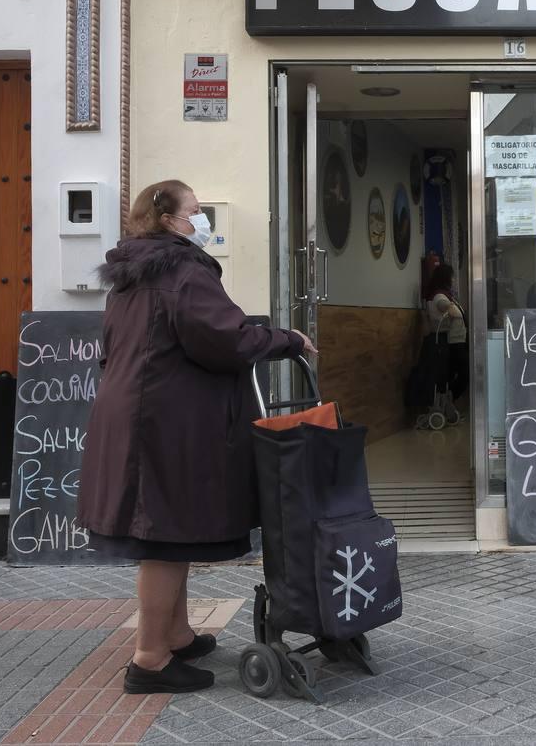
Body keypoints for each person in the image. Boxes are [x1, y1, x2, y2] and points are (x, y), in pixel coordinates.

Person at [77, 180, 316, 695]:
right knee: (161, 538)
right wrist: (286, 339)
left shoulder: (134, 274)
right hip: (164, 421)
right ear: (169, 219)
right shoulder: (182, 272)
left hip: (142, 413)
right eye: (195, 211)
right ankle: (150, 659)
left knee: (169, 530)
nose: (202, 218)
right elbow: (225, 338)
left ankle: (178, 635)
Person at [425, 264, 468, 399]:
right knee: (464, 372)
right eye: (452, 277)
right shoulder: (439, 296)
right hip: (452, 341)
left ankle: (448, 401)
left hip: (458, 339)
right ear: (446, 278)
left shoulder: (447, 295)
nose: (453, 280)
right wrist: (451, 308)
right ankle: (449, 399)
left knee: (453, 373)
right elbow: (452, 311)